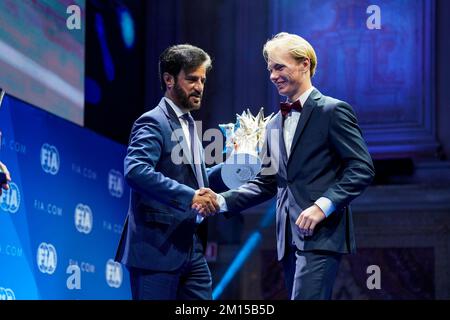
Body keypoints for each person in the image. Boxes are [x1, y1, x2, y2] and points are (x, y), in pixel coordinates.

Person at [208, 32, 375, 299]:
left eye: (279, 66)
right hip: (287, 239)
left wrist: (323, 206)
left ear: (304, 64)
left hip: (321, 235)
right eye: (270, 69)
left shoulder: (332, 111)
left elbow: (361, 168)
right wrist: (220, 201)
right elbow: (266, 181)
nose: (273, 75)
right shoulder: (274, 123)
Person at [115, 44, 221, 300]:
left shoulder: (188, 124)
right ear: (169, 79)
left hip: (191, 247)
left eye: (203, 80)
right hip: (155, 250)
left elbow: (196, 178)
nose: (199, 87)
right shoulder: (153, 120)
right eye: (192, 79)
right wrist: (190, 197)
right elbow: (136, 170)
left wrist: (235, 168)